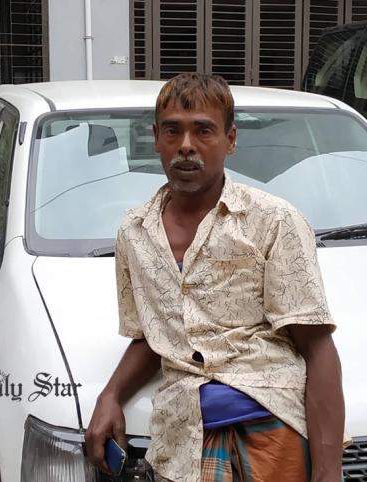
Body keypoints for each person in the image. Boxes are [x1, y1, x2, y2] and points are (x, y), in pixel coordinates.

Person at [85, 72, 349, 482]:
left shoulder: (272, 221)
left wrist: (328, 472)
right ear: (156, 138)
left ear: (230, 140)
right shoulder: (134, 232)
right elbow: (154, 335)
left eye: (203, 130)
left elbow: (317, 348)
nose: (186, 145)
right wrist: (111, 395)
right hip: (182, 436)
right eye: (173, 130)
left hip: (270, 428)